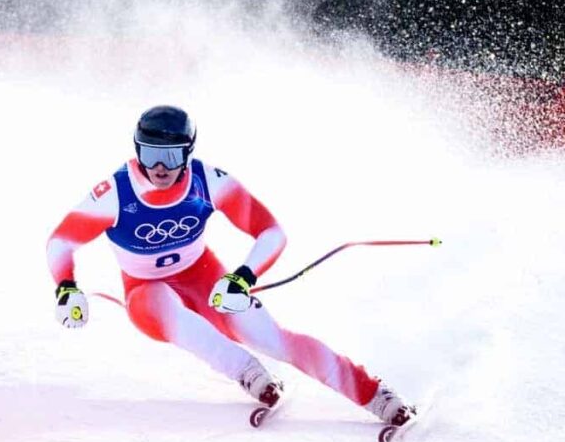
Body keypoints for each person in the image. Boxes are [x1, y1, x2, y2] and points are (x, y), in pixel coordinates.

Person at [45, 105, 414, 425]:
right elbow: (61, 242)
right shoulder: (113, 194)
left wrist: (242, 277)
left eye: (171, 156)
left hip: (206, 279)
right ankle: (248, 372)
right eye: (149, 153)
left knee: (272, 339)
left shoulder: (209, 181)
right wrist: (66, 287)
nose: (159, 167)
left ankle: (373, 394)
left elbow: (270, 231)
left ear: (188, 152)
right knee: (170, 314)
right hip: (145, 290)